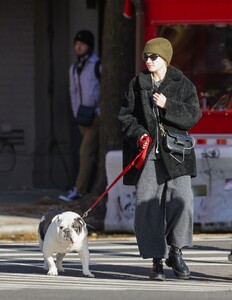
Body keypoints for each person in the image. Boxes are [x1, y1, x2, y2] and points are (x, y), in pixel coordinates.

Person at [118, 37, 202, 281]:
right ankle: (156, 260)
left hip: (177, 154)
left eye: (153, 57)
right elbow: (125, 116)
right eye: (145, 57)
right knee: (147, 205)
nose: (148, 61)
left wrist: (168, 105)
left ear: (165, 58)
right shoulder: (138, 84)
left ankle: (175, 252)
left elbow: (193, 116)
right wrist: (140, 135)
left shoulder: (183, 84)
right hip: (148, 154)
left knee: (183, 201)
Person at [59, 30, 101, 201]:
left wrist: (100, 111)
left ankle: (79, 189)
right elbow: (73, 91)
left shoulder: (98, 64)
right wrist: (77, 112)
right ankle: (93, 186)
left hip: (96, 116)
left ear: (89, 46)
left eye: (82, 43)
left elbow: (105, 89)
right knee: (91, 152)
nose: (78, 46)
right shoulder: (74, 68)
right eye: (76, 43)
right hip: (82, 117)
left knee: (85, 151)